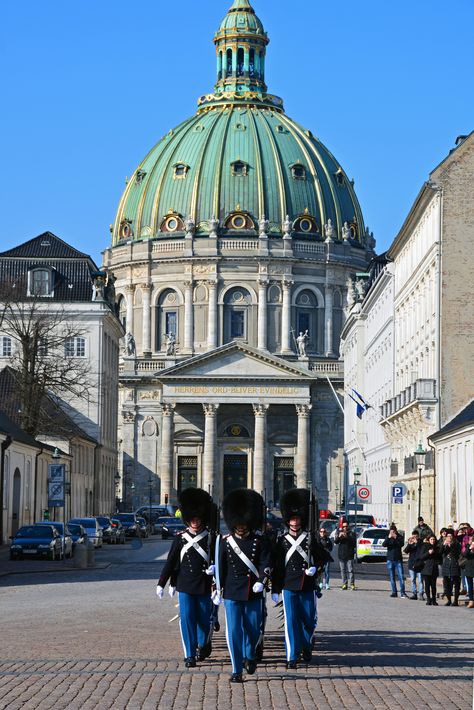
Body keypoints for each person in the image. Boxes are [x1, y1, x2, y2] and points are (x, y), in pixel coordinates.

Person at [217, 489, 272, 683]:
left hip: (252, 591)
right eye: (237, 523)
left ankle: (250, 654)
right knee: (233, 631)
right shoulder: (225, 543)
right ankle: (236, 668)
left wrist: (261, 581)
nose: (240, 527)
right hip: (232, 592)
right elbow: (221, 568)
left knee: (253, 629)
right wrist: (217, 589)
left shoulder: (259, 541)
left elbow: (265, 563)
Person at [156, 488, 215, 669]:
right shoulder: (180, 539)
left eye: (198, 519)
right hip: (185, 584)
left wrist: (215, 571)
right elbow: (171, 562)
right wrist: (162, 583)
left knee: (204, 620)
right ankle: (189, 654)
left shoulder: (211, 538)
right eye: (192, 519)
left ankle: (202, 643)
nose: (195, 522)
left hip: (204, 585)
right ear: (187, 519)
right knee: (187, 619)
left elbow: (218, 561)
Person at [271, 489, 329, 669]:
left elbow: (323, 558)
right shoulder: (281, 541)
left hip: (307, 584)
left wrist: (316, 568)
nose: (295, 522)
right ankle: (292, 655)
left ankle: (306, 643)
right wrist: (275, 588)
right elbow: (278, 567)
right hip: (289, 584)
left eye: (297, 519)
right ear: (287, 521)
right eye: (292, 520)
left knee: (309, 620)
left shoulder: (310, 538)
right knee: (291, 621)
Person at [382, 524, 407, 598]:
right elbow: (384, 544)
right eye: (391, 532)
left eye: (393, 532)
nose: (392, 533)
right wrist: (388, 538)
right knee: (392, 577)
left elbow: (401, 544)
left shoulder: (399, 537)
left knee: (401, 577)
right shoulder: (388, 537)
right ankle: (394, 592)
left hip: (398, 559)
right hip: (390, 559)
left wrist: (396, 538)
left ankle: (402, 592)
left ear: (396, 531)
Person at [419, 534, 442, 606]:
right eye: (431, 539)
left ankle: (434, 600)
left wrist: (437, 561)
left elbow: (440, 559)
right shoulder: (425, 546)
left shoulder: (437, 548)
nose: (433, 541)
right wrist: (428, 553)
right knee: (427, 585)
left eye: (434, 539)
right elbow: (421, 557)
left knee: (433, 585)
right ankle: (428, 599)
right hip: (426, 568)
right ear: (429, 540)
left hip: (434, 568)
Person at [441, 532, 461, 606]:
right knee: (446, 584)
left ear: (453, 537)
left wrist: (450, 545)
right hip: (446, 565)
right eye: (448, 536)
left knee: (456, 584)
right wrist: (444, 545)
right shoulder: (444, 544)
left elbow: (457, 553)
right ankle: (449, 600)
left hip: (454, 565)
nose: (449, 538)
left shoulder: (456, 544)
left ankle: (455, 601)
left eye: (450, 536)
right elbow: (440, 552)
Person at [334, 521, 357, 590]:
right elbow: (336, 542)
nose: (345, 528)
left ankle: (352, 584)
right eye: (343, 526)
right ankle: (344, 584)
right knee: (343, 570)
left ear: (348, 526)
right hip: (342, 555)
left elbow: (354, 544)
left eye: (346, 526)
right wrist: (339, 537)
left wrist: (347, 537)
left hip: (349, 555)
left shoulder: (352, 533)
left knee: (351, 570)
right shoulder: (340, 532)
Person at [404, 530, 424, 600]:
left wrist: (417, 543)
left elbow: (421, 550)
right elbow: (406, 551)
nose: (414, 538)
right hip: (411, 563)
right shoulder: (411, 542)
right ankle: (414, 593)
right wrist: (409, 544)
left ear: (418, 536)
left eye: (416, 536)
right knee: (412, 579)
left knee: (420, 580)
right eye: (413, 536)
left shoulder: (421, 542)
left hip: (419, 564)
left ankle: (421, 593)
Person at [463, 534, 474, 608]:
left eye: (472, 540)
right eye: (470, 540)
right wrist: (470, 548)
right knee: (470, 585)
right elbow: (465, 555)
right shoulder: (467, 546)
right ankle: (471, 601)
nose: (471, 541)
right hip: (469, 568)